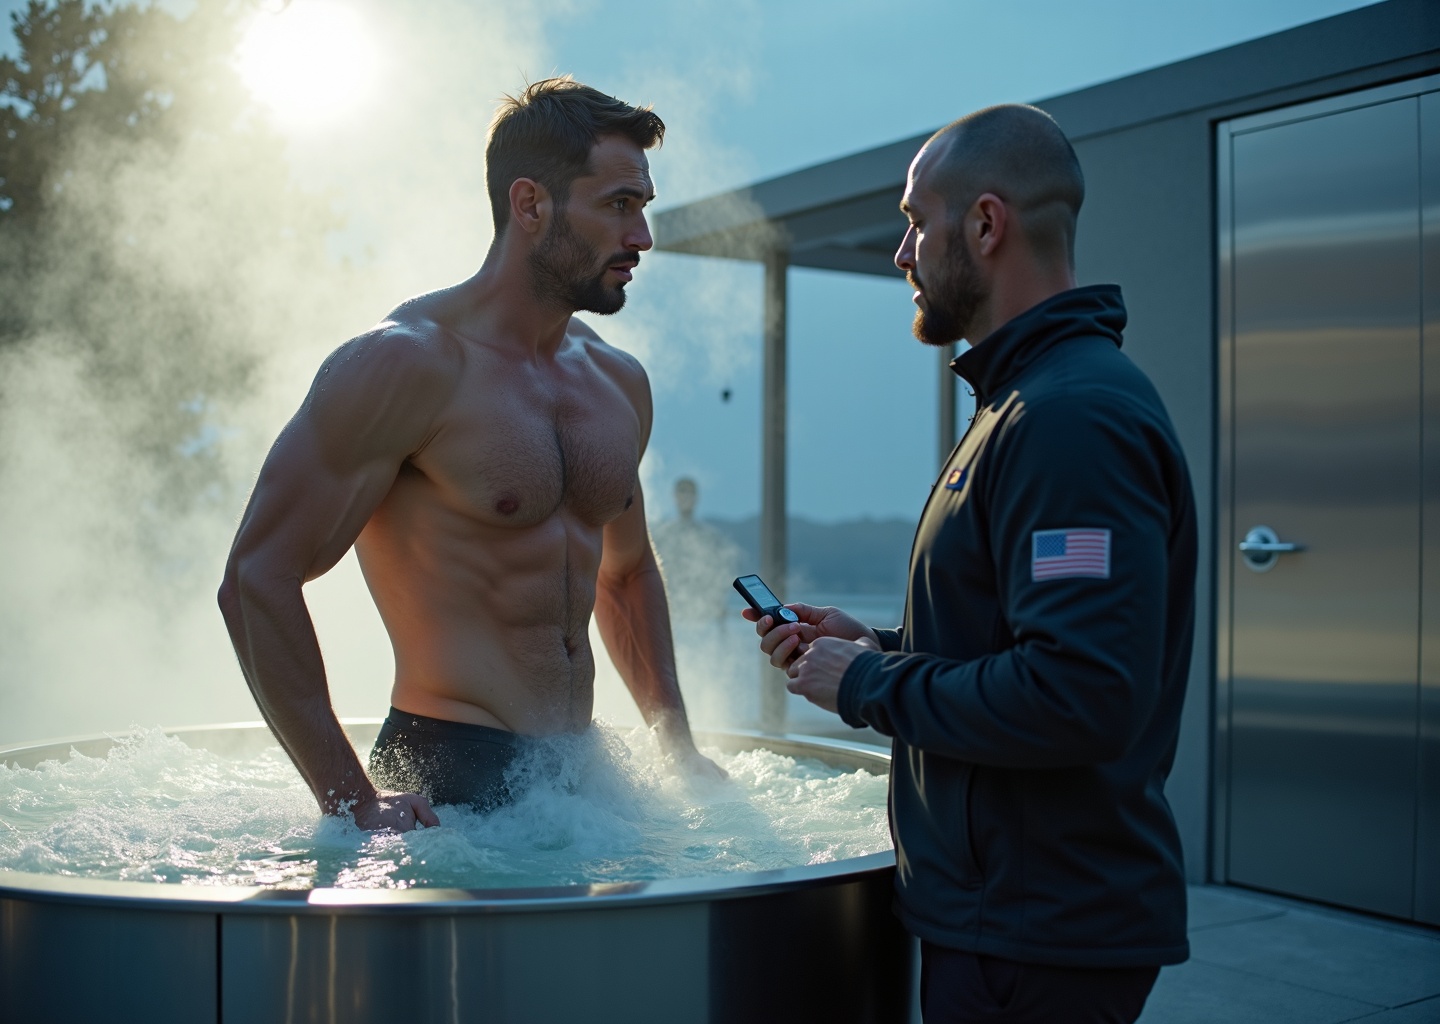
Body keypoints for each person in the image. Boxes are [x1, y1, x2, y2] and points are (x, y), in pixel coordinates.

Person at [749, 104, 1196, 1023]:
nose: (902, 254)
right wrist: (875, 642)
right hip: (1010, 918)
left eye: (917, 222)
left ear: (987, 225)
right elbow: (1016, 639)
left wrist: (870, 682)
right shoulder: (1026, 402)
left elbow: (1079, 694)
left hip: (1037, 936)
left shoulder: (1069, 420)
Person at [218, 77, 721, 834]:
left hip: (581, 776)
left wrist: (674, 742)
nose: (641, 238)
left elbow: (626, 572)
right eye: (618, 205)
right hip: (445, 774)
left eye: (642, 208)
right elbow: (256, 578)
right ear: (530, 205)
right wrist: (350, 798)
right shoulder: (406, 366)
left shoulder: (617, 381)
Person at [649, 477, 740, 625]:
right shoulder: (661, 536)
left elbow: (719, 576)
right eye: (682, 493)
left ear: (696, 497)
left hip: (703, 616)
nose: (686, 498)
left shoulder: (709, 536)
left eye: (690, 493)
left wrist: (719, 611)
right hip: (671, 612)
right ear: (675, 496)